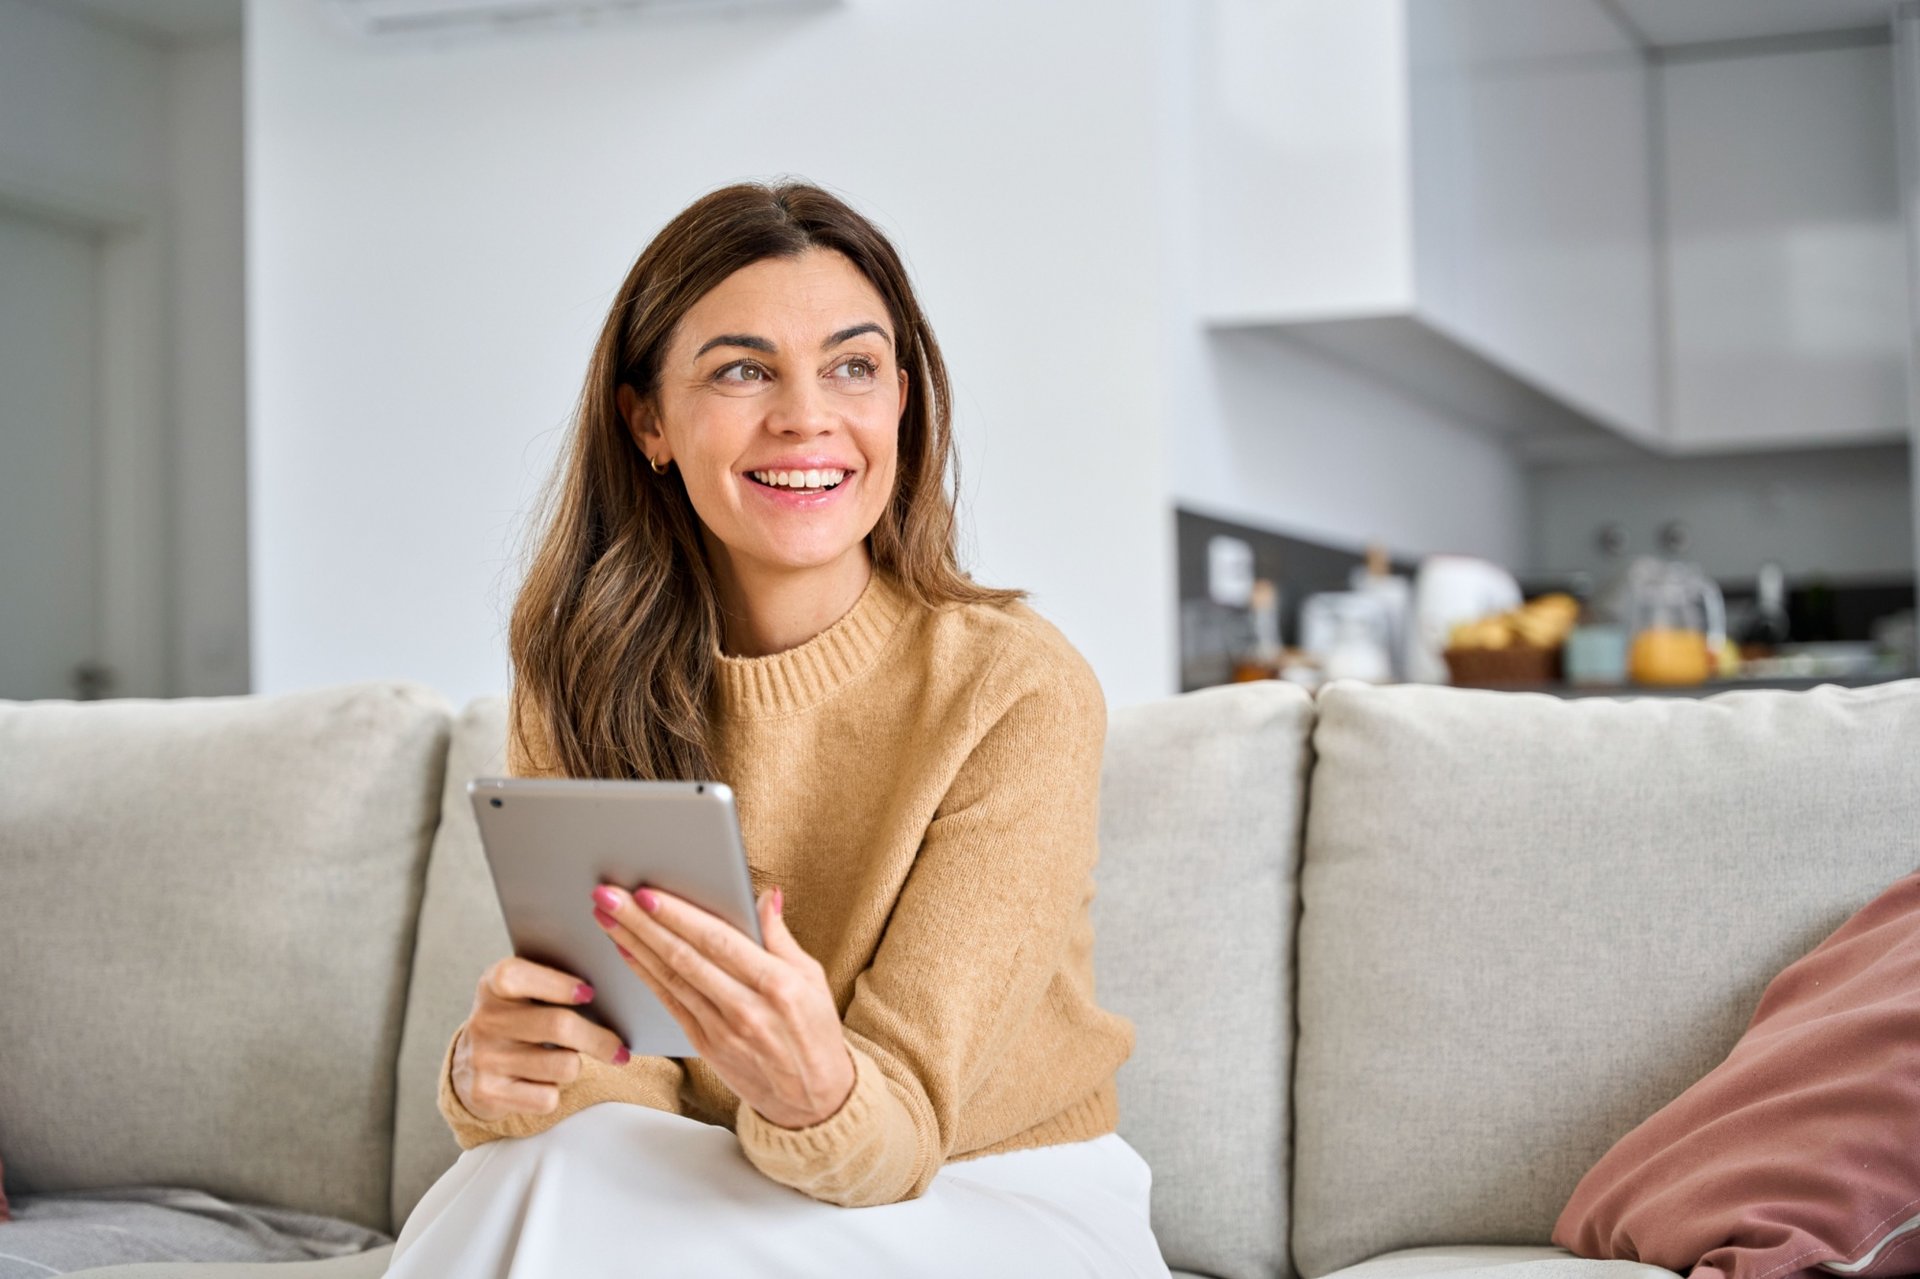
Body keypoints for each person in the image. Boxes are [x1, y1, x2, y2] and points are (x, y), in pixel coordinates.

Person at [385, 179, 1169, 1278]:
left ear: (900, 397)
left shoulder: (1015, 687)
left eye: (852, 365)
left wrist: (816, 1084)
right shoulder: (577, 673)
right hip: (715, 1169)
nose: (807, 415)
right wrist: (496, 1074)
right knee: (526, 1173)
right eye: (743, 369)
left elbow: (900, 1128)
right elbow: (626, 1085)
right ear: (647, 419)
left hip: (989, 1184)